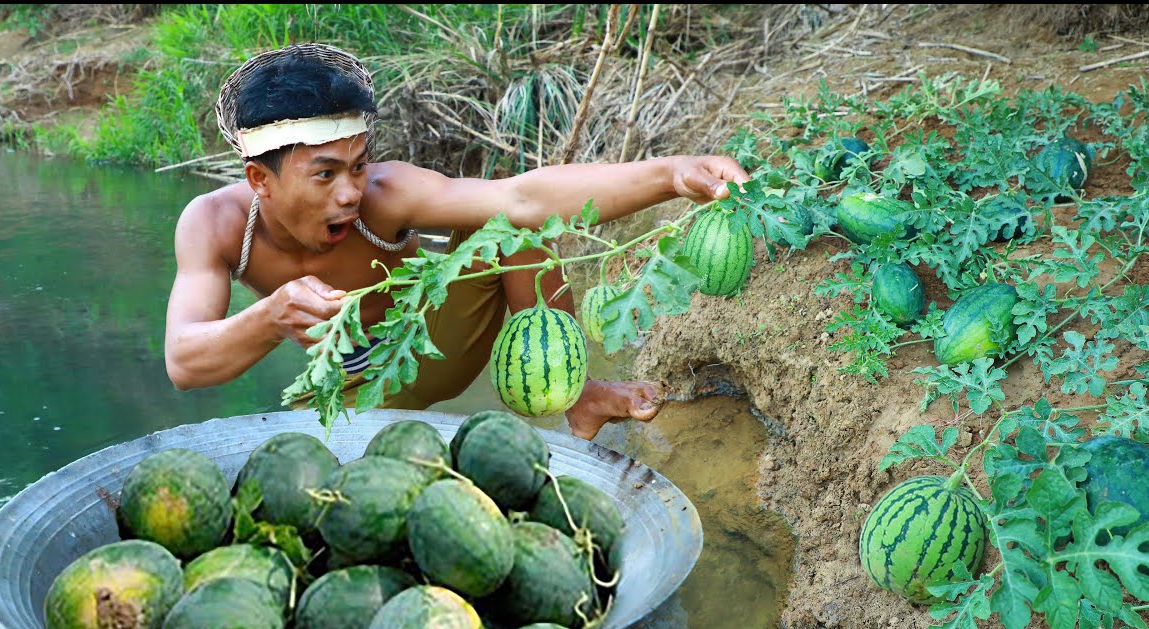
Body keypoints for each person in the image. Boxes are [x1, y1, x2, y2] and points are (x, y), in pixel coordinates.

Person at [164, 43, 750, 440]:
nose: (349, 192)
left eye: (358, 166)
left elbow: (524, 198)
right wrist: (269, 317)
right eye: (324, 174)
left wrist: (671, 175)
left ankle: (584, 395)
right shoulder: (214, 227)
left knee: (505, 223)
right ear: (259, 179)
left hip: (436, 348)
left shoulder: (385, 195)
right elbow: (184, 362)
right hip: (348, 386)